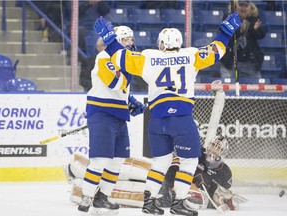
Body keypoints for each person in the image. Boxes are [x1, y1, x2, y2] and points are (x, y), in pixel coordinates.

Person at [94, 12, 241, 216]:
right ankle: (179, 203)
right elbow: (216, 51)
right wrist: (226, 31)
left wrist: (109, 38)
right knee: (189, 162)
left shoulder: (148, 57)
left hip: (157, 121)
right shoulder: (190, 55)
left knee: (160, 163)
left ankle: (149, 202)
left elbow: (121, 57)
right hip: (181, 119)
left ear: (161, 43)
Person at [65, 136, 245, 211]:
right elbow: (175, 164)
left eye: (218, 147)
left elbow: (214, 198)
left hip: (169, 195)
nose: (214, 149)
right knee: (125, 168)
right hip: (162, 174)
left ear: (224, 152)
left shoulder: (225, 173)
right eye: (213, 145)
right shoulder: (198, 153)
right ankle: (78, 167)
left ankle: (80, 188)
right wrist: (174, 180)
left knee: (125, 190)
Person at [77, 25, 146, 215]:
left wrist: (130, 101)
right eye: (126, 39)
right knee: (99, 160)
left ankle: (102, 198)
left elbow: (122, 90)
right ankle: (87, 197)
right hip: (102, 112)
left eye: (132, 39)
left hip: (118, 114)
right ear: (116, 41)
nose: (131, 42)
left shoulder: (126, 59)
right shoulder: (104, 57)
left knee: (118, 160)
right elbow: (116, 82)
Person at [219, 0, 266, 78]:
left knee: (255, 88)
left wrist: (255, 29)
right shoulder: (228, 19)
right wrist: (239, 31)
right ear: (236, 6)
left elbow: (262, 34)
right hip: (230, 62)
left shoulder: (254, 19)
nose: (243, 8)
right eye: (241, 5)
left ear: (250, 7)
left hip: (250, 63)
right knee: (229, 88)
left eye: (246, 6)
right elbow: (227, 38)